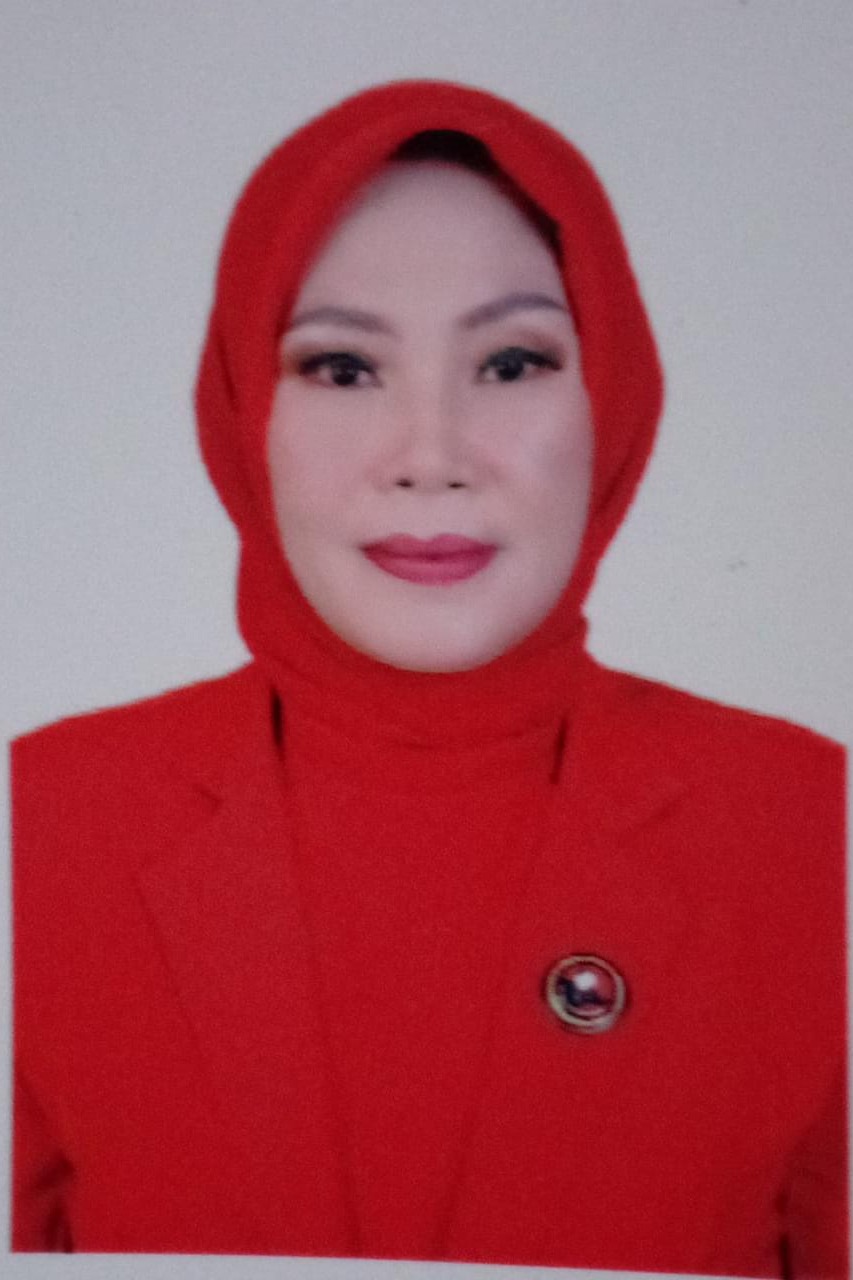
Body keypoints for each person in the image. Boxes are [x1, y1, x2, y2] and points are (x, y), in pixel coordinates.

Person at [11, 79, 847, 1275]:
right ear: (245, 408)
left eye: (510, 360)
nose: (432, 456)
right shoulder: (45, 820)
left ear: (613, 395)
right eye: (342, 367)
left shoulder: (803, 822)